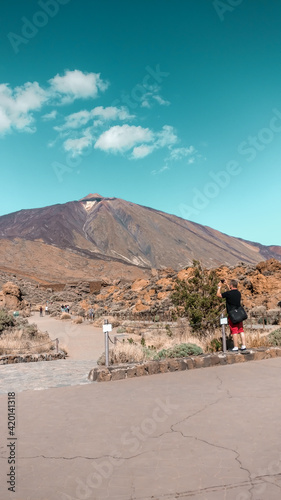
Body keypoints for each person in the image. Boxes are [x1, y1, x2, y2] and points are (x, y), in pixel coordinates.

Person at [217, 279, 247, 351]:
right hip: (239, 314)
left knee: (234, 331)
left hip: (232, 314)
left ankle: (236, 347)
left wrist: (219, 287)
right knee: (241, 330)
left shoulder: (228, 294)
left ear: (231, 286)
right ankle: (243, 345)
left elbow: (218, 295)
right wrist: (227, 284)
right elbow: (231, 291)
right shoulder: (238, 293)